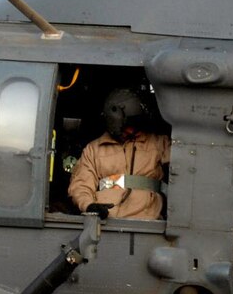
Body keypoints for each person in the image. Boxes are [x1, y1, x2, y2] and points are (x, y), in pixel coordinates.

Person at [68, 88, 172, 219]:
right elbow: (81, 185)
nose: (135, 129)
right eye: (130, 124)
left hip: (148, 222)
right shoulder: (94, 149)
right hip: (107, 222)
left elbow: (185, 166)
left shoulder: (158, 143)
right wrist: (89, 206)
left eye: (138, 122)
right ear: (115, 123)